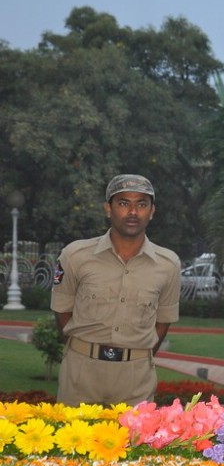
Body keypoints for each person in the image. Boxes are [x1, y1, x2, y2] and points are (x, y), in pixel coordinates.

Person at [51, 174, 181, 406]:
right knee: (72, 441)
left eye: (141, 204)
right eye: (123, 203)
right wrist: (82, 349)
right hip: (81, 373)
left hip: (135, 379)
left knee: (134, 443)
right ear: (108, 209)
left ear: (152, 211)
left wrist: (137, 355)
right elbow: (62, 310)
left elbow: (163, 320)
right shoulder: (76, 256)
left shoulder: (168, 264)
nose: (133, 212)